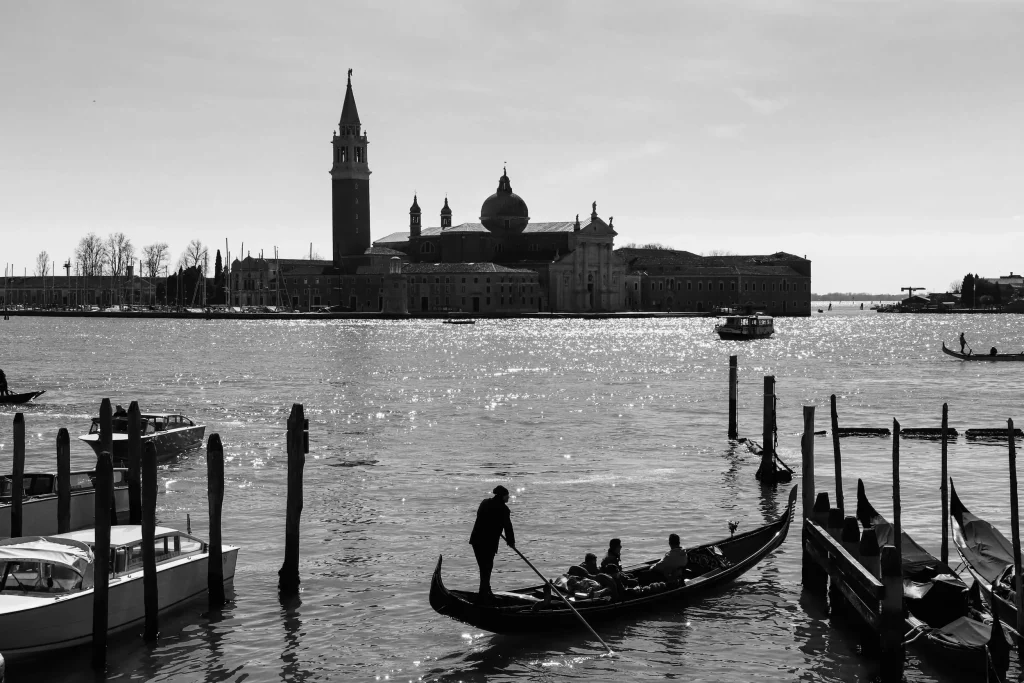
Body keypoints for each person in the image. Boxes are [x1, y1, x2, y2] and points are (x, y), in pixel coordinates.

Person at [468, 485, 515, 603]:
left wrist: (494, 525)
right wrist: (511, 542)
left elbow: (480, 516)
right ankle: (484, 594)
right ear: (502, 496)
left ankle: (485, 591)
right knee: (487, 567)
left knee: (483, 567)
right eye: (507, 495)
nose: (508, 497)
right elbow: (508, 527)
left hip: (476, 540)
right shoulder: (504, 510)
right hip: (488, 543)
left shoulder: (484, 503)